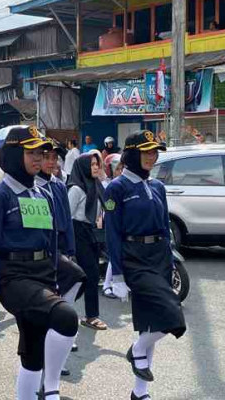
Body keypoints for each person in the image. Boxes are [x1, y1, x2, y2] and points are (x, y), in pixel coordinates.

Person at [0, 126, 78, 400]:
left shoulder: (42, 194)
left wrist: (55, 275)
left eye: (42, 152)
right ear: (13, 154)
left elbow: (51, 239)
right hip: (13, 277)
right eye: (31, 152)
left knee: (33, 349)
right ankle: (53, 388)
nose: (39, 158)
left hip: (42, 273)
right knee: (66, 317)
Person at [104, 131, 186, 400]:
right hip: (134, 258)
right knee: (172, 315)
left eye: (155, 152)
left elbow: (164, 227)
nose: (152, 156)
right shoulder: (117, 188)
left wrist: (172, 258)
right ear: (131, 154)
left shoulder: (157, 186)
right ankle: (137, 349)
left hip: (159, 256)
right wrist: (116, 274)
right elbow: (112, 234)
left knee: (150, 325)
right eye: (146, 151)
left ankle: (140, 392)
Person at [35, 140, 87, 368]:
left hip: (61, 247)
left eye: (54, 158)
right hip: (42, 251)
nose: (50, 162)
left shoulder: (58, 185)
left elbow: (66, 219)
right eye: (45, 157)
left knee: (76, 278)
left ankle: (61, 326)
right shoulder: (32, 186)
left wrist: (71, 250)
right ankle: (52, 341)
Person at [68, 152, 108, 330]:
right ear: (83, 167)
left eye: (97, 164)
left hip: (91, 232)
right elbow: (67, 217)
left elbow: (107, 205)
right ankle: (90, 316)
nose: (96, 167)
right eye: (92, 164)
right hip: (78, 232)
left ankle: (84, 313)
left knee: (90, 275)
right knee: (89, 274)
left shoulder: (96, 185)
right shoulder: (76, 189)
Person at [102, 153, 123, 299]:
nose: (120, 171)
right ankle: (107, 284)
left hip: (124, 223)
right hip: (110, 222)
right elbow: (107, 208)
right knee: (115, 254)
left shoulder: (125, 184)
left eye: (122, 168)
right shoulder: (107, 185)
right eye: (117, 168)